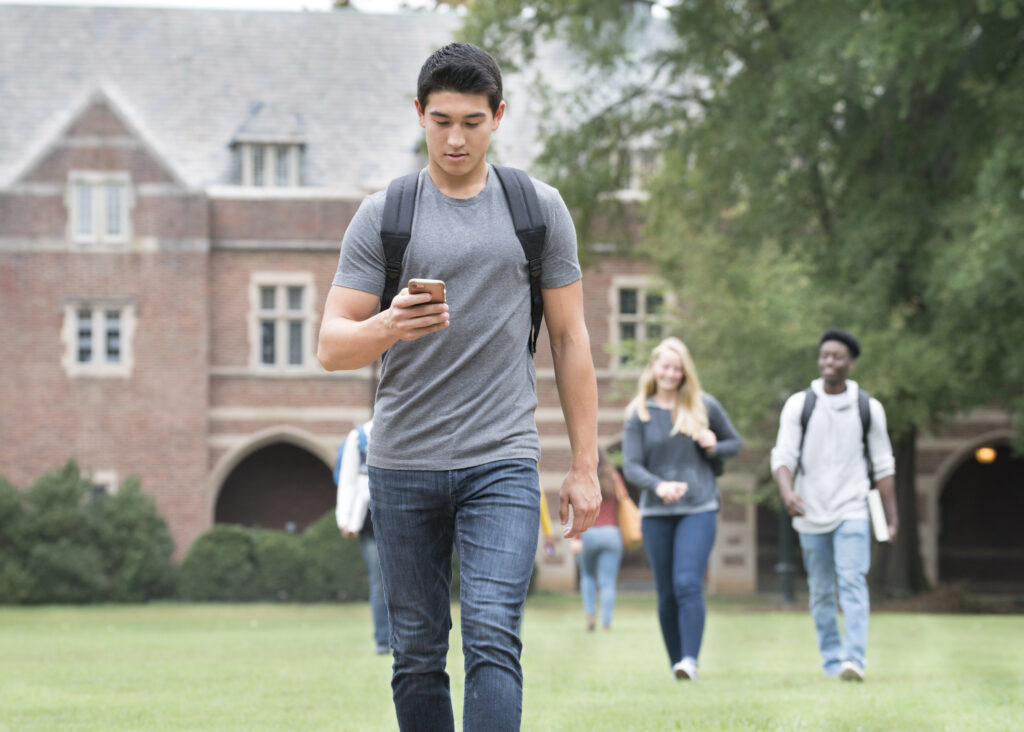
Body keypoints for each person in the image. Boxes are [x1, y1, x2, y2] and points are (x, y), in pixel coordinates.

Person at [317, 43, 600, 732]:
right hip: (402, 462)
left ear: (498, 117)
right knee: (415, 652)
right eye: (440, 120)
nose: (454, 138)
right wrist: (388, 323)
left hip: (501, 459)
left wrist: (586, 466)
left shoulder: (538, 210)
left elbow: (569, 339)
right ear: (418, 113)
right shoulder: (386, 214)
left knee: (494, 635)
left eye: (472, 121)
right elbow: (331, 345)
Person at [771, 328, 898, 682]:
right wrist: (787, 493)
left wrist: (891, 517)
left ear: (850, 363)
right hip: (811, 510)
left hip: (853, 508)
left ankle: (853, 660)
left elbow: (884, 464)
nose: (829, 361)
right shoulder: (800, 404)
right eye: (825, 355)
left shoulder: (868, 408)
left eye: (837, 357)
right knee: (822, 589)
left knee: (853, 581)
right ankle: (831, 660)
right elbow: (783, 456)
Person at [622, 337, 742, 681]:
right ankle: (677, 662)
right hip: (657, 512)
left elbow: (735, 443)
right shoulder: (639, 413)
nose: (671, 373)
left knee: (688, 582)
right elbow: (631, 466)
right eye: (666, 366)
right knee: (667, 591)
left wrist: (715, 444)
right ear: (654, 368)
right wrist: (659, 485)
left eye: (678, 368)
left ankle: (690, 660)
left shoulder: (704, 406)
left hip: (699, 506)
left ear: (685, 371)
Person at [335, 418, 390, 655]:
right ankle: (383, 640)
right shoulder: (359, 437)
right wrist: (344, 519)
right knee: (380, 581)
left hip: (399, 512)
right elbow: (347, 481)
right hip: (368, 520)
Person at [572, 449, 625, 632]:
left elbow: (579, 509)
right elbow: (623, 503)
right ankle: (606, 624)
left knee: (587, 577)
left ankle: (591, 617)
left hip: (589, 534)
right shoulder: (615, 478)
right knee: (608, 582)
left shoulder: (586, 478)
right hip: (611, 534)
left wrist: (577, 537)